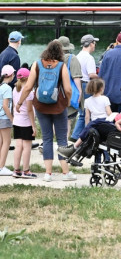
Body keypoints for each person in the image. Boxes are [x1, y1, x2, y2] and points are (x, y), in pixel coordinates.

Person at [16, 40, 76, 182]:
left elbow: (28, 87)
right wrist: (67, 101)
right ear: (60, 52)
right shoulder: (61, 66)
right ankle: (65, 173)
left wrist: (19, 103)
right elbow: (68, 89)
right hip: (58, 106)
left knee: (47, 138)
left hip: (41, 106)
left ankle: (48, 174)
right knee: (62, 139)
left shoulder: (37, 64)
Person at [71, 34, 99, 142]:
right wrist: (101, 76)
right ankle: (77, 137)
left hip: (77, 84)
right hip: (86, 85)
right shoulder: (89, 57)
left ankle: (77, 136)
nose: (95, 45)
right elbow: (91, 74)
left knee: (82, 112)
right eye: (94, 43)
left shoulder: (77, 56)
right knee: (86, 113)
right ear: (91, 44)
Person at [12, 68, 37, 178]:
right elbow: (29, 110)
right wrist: (33, 125)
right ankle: (26, 171)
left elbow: (14, 105)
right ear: (28, 78)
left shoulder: (15, 89)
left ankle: (16, 170)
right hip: (26, 122)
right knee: (27, 147)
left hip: (17, 121)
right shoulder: (29, 92)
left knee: (18, 146)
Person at [56, 36, 82, 137]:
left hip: (54, 93)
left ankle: (56, 140)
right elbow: (76, 77)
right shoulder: (72, 58)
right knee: (67, 120)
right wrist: (79, 91)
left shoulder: (52, 58)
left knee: (55, 119)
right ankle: (64, 142)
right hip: (67, 92)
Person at [0, 65, 15, 176]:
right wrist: (12, 119)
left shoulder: (0, 86)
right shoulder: (7, 88)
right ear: (11, 75)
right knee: (7, 142)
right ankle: (1, 167)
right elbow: (6, 106)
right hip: (4, 118)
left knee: (1, 141)